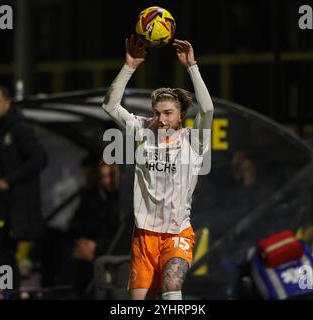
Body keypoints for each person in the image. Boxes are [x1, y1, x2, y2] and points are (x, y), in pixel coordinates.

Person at [102, 35, 214, 300]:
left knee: (172, 288)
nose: (161, 119)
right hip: (144, 235)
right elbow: (109, 105)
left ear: (181, 116)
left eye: (168, 113)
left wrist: (191, 67)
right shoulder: (143, 131)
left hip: (177, 232)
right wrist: (130, 65)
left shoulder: (193, 140)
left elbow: (207, 110)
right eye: (157, 112)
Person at [0, 84, 48, 299]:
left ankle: (7, 294)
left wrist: (9, 180)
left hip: (3, 206)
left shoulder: (18, 129)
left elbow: (39, 158)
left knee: (3, 254)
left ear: (7, 104)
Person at [52, 158, 120, 298]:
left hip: (110, 250)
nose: (108, 181)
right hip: (91, 247)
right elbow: (77, 223)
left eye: (111, 176)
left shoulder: (123, 201)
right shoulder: (94, 197)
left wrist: (96, 247)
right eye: (104, 177)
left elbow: (119, 232)